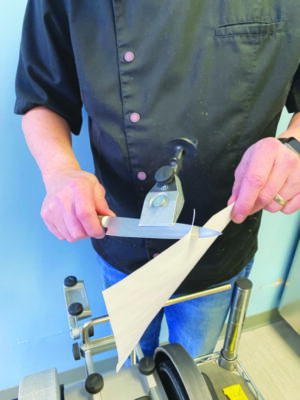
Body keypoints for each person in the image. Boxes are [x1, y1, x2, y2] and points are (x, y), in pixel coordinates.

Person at [15, 0, 300, 359]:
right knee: (136, 362)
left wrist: (295, 146)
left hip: (221, 245)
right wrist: (59, 171)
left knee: (194, 364)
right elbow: (43, 96)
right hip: (122, 234)